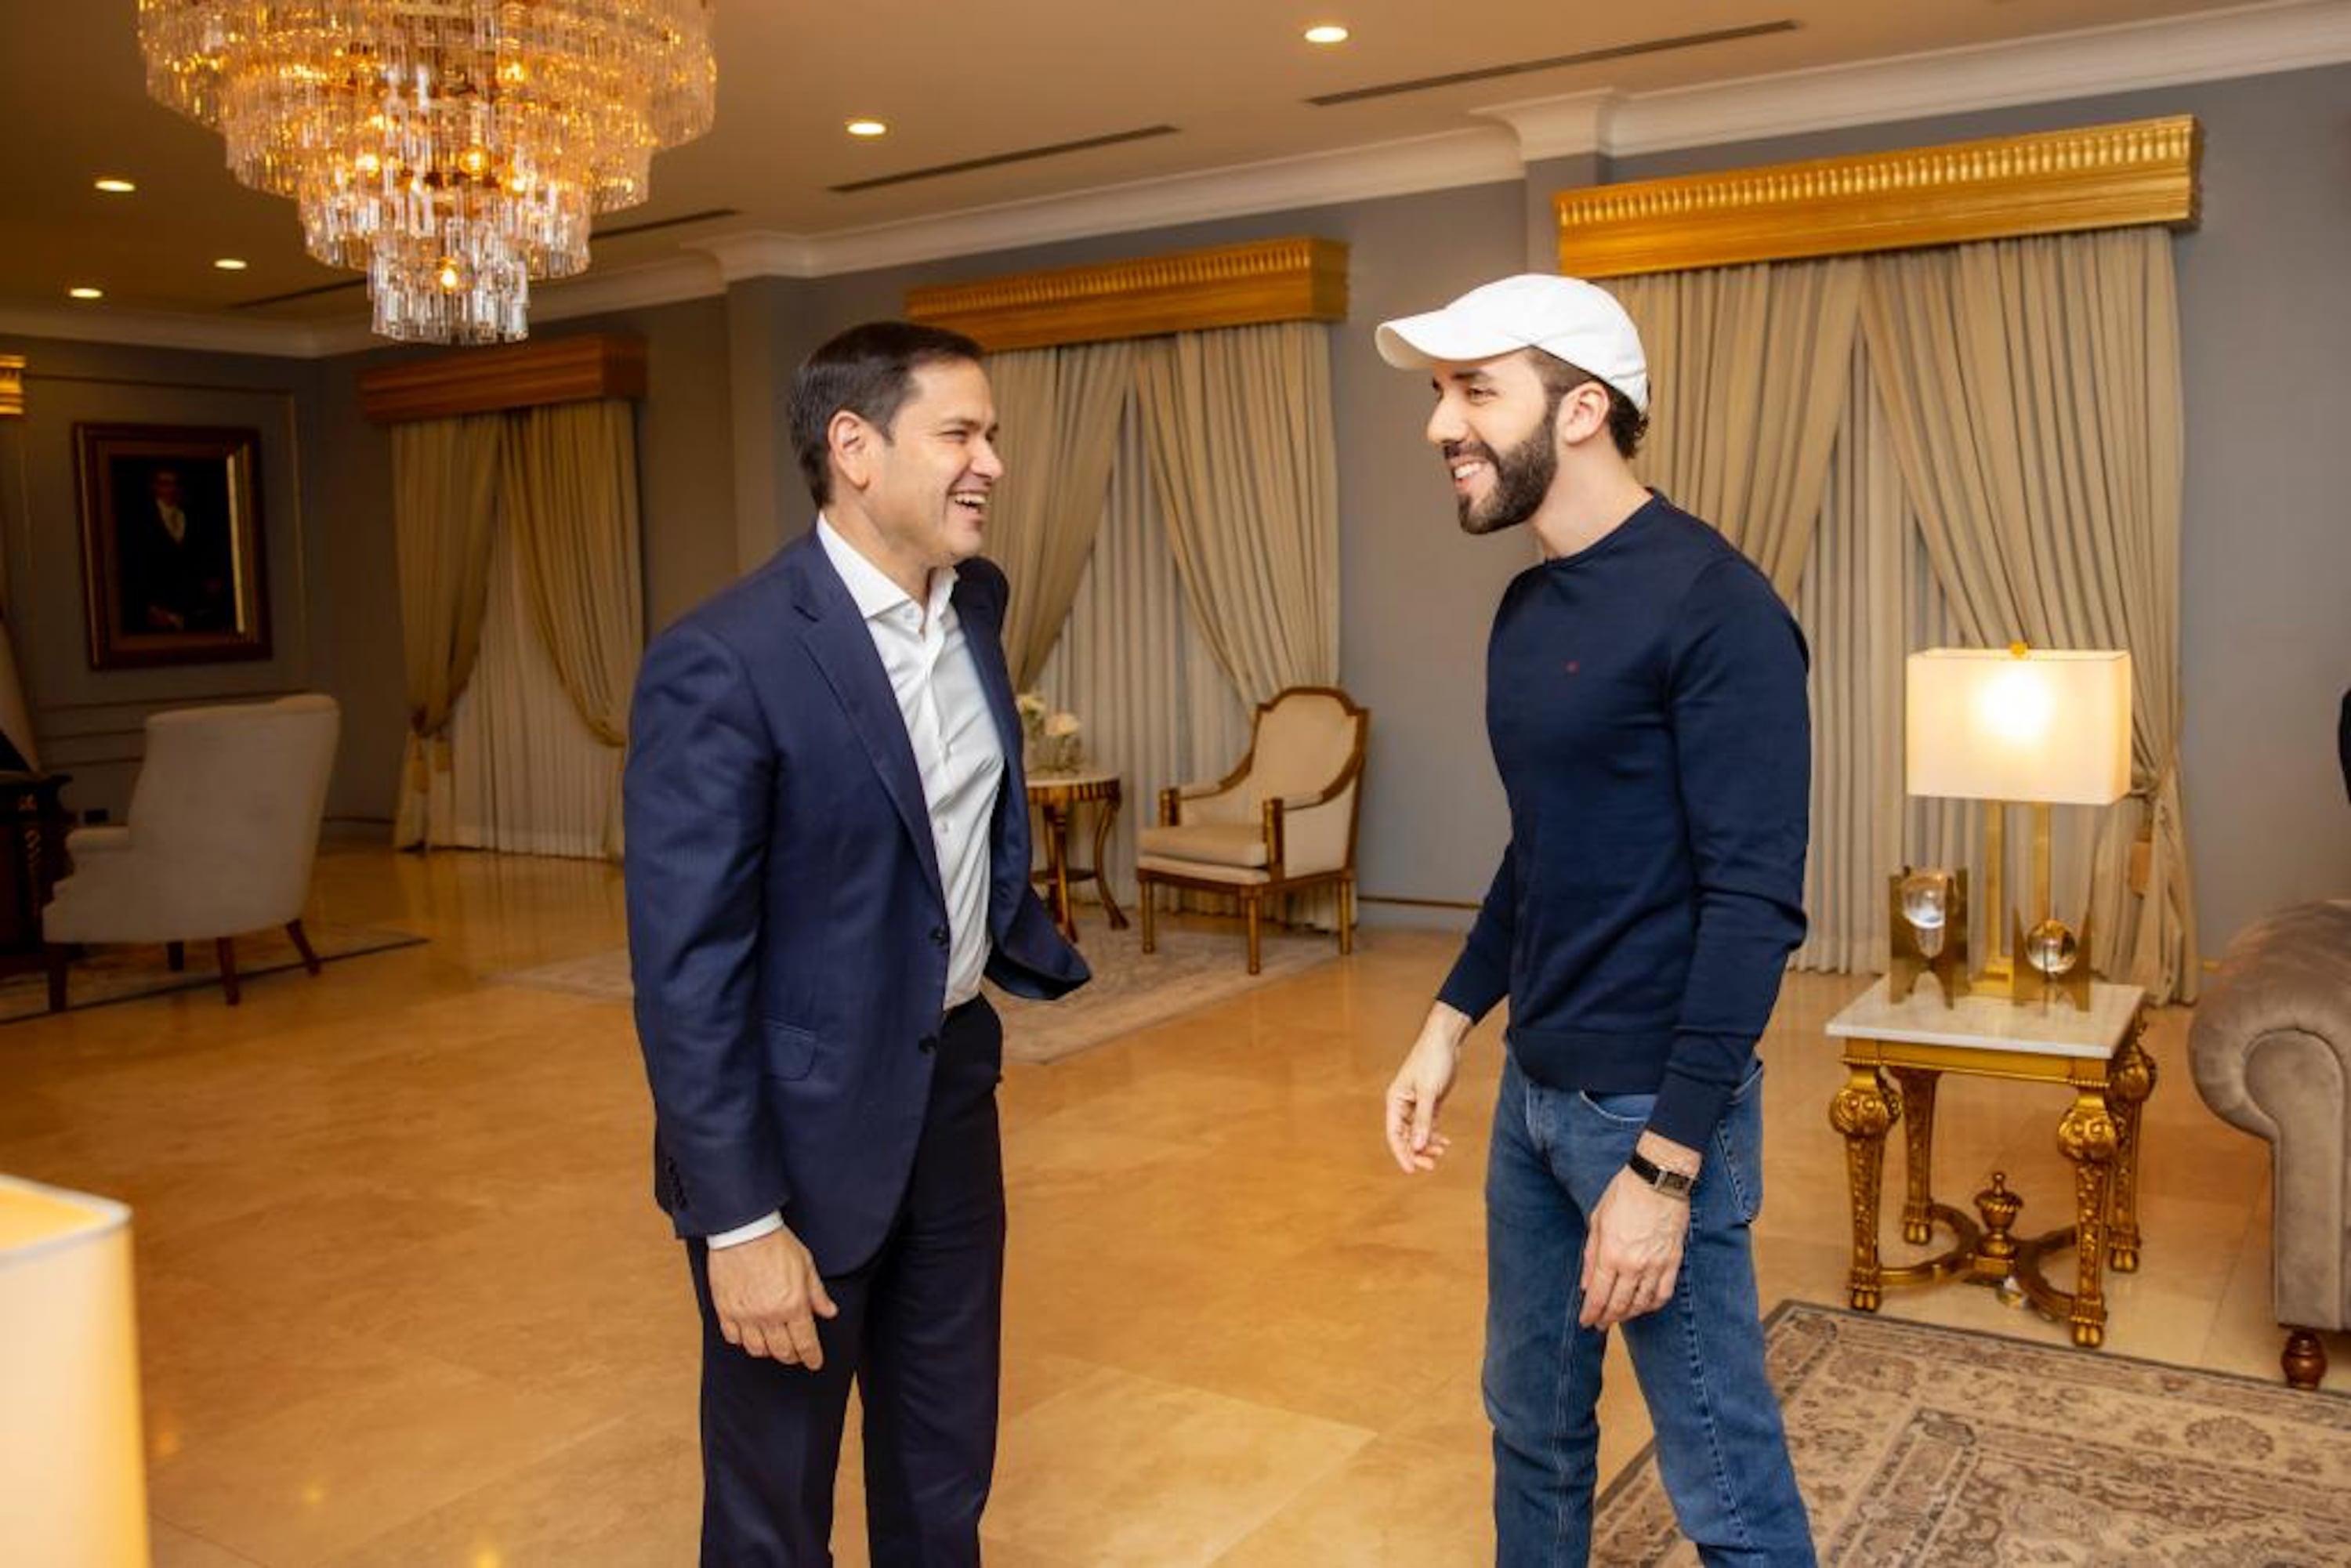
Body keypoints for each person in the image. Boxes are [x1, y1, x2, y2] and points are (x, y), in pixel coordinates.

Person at [624, 320, 1089, 1565]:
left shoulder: (973, 608)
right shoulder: (724, 660)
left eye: (992, 434)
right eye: (960, 433)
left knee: (944, 1472)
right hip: (797, 1133)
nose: (991, 460)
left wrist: (1005, 941)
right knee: (775, 1500)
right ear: (855, 448)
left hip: (949, 1098)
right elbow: (687, 976)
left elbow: (949, 822)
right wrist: (739, 1222)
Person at [1375, 274, 1817, 1566]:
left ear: (1578, 411)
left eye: (1473, 391)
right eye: (1440, 394)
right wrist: (1451, 1022)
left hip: (1649, 1110)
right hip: (1536, 1096)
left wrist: (1665, 1170)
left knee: (1722, 1479)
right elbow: (1546, 848)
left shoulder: (1717, 605)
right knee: (1532, 1425)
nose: (1439, 425)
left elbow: (1754, 909)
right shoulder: (1528, 604)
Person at [118, 466, 234, 634]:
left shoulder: (193, 518)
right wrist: (149, 607)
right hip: (157, 608)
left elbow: (203, 559)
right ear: (155, 487)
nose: (171, 489)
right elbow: (135, 567)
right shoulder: (140, 522)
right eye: (165, 484)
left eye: (175, 484)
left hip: (192, 606)